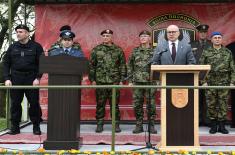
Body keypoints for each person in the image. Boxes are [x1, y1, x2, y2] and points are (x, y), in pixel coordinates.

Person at [3, 24, 43, 135]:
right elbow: (6, 63)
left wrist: (37, 78)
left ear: (27, 33)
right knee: (15, 104)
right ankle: (15, 127)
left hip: (31, 79)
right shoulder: (13, 47)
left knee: (34, 103)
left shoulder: (36, 47)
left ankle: (36, 126)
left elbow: (42, 64)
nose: (18, 34)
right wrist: (7, 78)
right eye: (17, 32)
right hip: (16, 78)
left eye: (20, 32)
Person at [89, 29, 127, 133]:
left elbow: (122, 65)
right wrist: (92, 80)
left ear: (111, 37)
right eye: (104, 35)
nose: (105, 37)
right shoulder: (96, 50)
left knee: (114, 104)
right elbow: (92, 66)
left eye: (108, 35)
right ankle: (99, 123)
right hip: (100, 81)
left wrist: (122, 80)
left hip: (114, 82)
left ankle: (116, 124)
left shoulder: (118, 50)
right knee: (100, 104)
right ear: (102, 37)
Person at [199, 32, 235, 134]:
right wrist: (203, 82)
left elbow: (232, 68)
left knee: (223, 104)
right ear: (212, 40)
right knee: (211, 105)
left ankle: (222, 126)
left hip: (224, 83)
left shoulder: (227, 52)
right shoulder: (206, 52)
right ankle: (213, 126)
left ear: (222, 40)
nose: (218, 39)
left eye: (219, 38)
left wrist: (232, 82)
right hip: (210, 83)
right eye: (215, 38)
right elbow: (201, 68)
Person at [127, 30, 157, 134]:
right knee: (137, 104)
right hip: (137, 81)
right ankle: (138, 124)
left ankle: (151, 125)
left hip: (151, 81)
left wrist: (158, 80)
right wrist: (130, 80)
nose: (143, 38)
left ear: (149, 38)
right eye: (141, 36)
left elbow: (159, 66)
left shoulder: (155, 51)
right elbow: (130, 66)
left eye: (145, 36)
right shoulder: (135, 51)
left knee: (151, 104)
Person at [190, 24, 212, 126]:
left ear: (206, 33)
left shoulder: (211, 44)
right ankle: (197, 120)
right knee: (196, 98)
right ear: (198, 33)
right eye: (201, 32)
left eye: (205, 32)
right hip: (195, 75)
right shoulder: (191, 44)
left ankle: (207, 120)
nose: (203, 34)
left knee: (208, 99)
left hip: (208, 76)